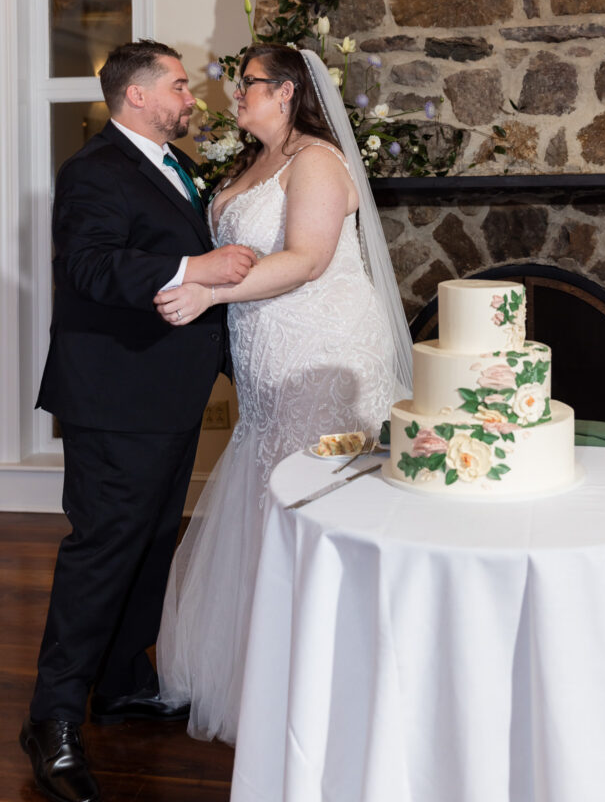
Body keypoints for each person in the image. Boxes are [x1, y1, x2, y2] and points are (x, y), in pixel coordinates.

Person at [154, 44, 413, 744]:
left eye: (249, 86)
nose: (235, 96)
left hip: (321, 347)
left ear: (288, 91)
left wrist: (207, 292)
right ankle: (264, 669)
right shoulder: (248, 166)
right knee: (266, 485)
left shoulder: (318, 162)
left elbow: (306, 259)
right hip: (265, 352)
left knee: (310, 494)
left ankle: (330, 671)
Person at [20, 40, 258, 802]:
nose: (192, 99)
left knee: (152, 543)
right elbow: (89, 267)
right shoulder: (94, 170)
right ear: (138, 97)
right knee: (103, 554)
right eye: (179, 86)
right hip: (116, 398)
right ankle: (51, 722)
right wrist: (197, 269)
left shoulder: (172, 163)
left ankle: (120, 683)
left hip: (166, 393)